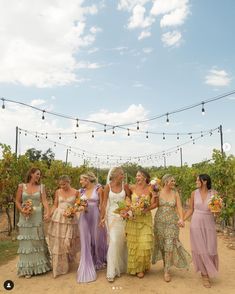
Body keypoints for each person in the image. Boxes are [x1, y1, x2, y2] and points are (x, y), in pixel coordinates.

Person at [152, 174, 191, 282]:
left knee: (169, 244)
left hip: (172, 223)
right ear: (165, 182)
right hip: (159, 222)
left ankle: (167, 270)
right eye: (172, 181)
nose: (174, 183)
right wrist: (153, 196)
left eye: (174, 181)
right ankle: (166, 263)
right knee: (162, 244)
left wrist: (181, 219)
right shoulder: (158, 192)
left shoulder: (175, 193)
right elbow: (154, 205)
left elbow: (179, 207)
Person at [15, 167, 51, 278]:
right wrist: (22, 210)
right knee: (27, 241)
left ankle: (40, 267)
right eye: (37, 174)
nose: (39, 176)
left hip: (37, 217)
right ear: (31, 174)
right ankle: (27, 269)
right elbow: (17, 200)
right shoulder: (22, 186)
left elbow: (44, 201)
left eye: (40, 175)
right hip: (25, 217)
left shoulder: (41, 187)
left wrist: (48, 212)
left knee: (37, 240)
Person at [184, 174, 218, 288]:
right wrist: (182, 219)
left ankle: (208, 270)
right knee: (200, 248)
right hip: (196, 223)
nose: (196, 181)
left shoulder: (214, 194)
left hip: (209, 223)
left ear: (204, 181)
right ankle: (205, 275)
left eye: (198, 180)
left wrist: (217, 210)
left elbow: (217, 212)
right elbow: (190, 209)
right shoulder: (194, 193)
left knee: (210, 248)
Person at [125, 169, 157, 278]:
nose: (137, 177)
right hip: (133, 219)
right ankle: (138, 269)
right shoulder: (132, 187)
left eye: (139, 175)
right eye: (136, 176)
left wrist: (146, 209)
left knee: (144, 244)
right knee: (134, 245)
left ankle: (143, 266)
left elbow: (155, 203)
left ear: (145, 177)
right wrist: (129, 207)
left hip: (145, 219)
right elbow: (127, 198)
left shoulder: (151, 188)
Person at [76, 172, 107, 283]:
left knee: (96, 240)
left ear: (87, 180)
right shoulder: (81, 191)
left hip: (95, 217)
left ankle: (97, 260)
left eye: (81, 180)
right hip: (84, 218)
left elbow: (102, 204)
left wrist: (102, 218)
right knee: (85, 241)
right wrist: (78, 208)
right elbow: (78, 204)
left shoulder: (98, 189)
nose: (80, 182)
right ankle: (86, 264)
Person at [101, 167, 130, 282]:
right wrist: (102, 217)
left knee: (122, 242)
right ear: (115, 175)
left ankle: (122, 266)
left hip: (123, 217)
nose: (123, 176)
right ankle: (111, 271)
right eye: (121, 174)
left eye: (123, 174)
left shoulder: (125, 186)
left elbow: (128, 198)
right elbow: (103, 203)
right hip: (111, 217)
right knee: (113, 241)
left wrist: (127, 210)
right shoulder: (108, 187)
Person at [48, 175, 80, 278]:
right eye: (60, 184)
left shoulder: (76, 192)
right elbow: (55, 205)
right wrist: (50, 214)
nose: (62, 186)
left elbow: (78, 205)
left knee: (68, 241)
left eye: (64, 184)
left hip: (70, 218)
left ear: (69, 182)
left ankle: (69, 259)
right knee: (59, 241)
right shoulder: (58, 192)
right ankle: (61, 266)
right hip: (59, 218)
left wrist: (72, 212)